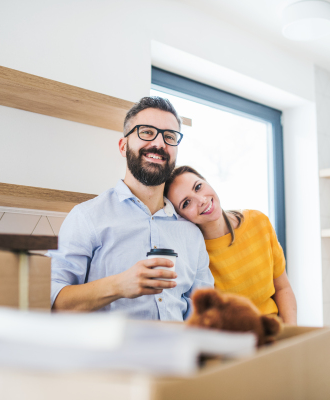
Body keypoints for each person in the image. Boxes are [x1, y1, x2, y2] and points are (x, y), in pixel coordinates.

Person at [164, 165, 330, 400]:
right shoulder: (194, 255)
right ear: (181, 216)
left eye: (199, 186)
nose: (201, 200)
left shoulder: (258, 222)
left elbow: (282, 288)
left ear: (207, 181)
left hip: (277, 333)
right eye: (186, 203)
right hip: (240, 350)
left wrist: (289, 336)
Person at [49, 97, 214, 320]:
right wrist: (118, 285)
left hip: (178, 353)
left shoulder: (192, 235)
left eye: (169, 136)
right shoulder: (86, 218)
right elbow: (52, 302)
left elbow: (205, 313)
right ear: (123, 145)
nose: (159, 144)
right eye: (147, 132)